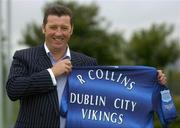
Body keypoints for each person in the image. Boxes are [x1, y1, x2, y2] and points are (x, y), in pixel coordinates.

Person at [6, 4, 167, 128]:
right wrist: (51, 73)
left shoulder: (87, 63)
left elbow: (111, 92)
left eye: (64, 28)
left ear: (71, 30)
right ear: (43, 28)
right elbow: (13, 89)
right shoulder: (23, 56)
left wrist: (151, 81)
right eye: (53, 27)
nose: (58, 33)